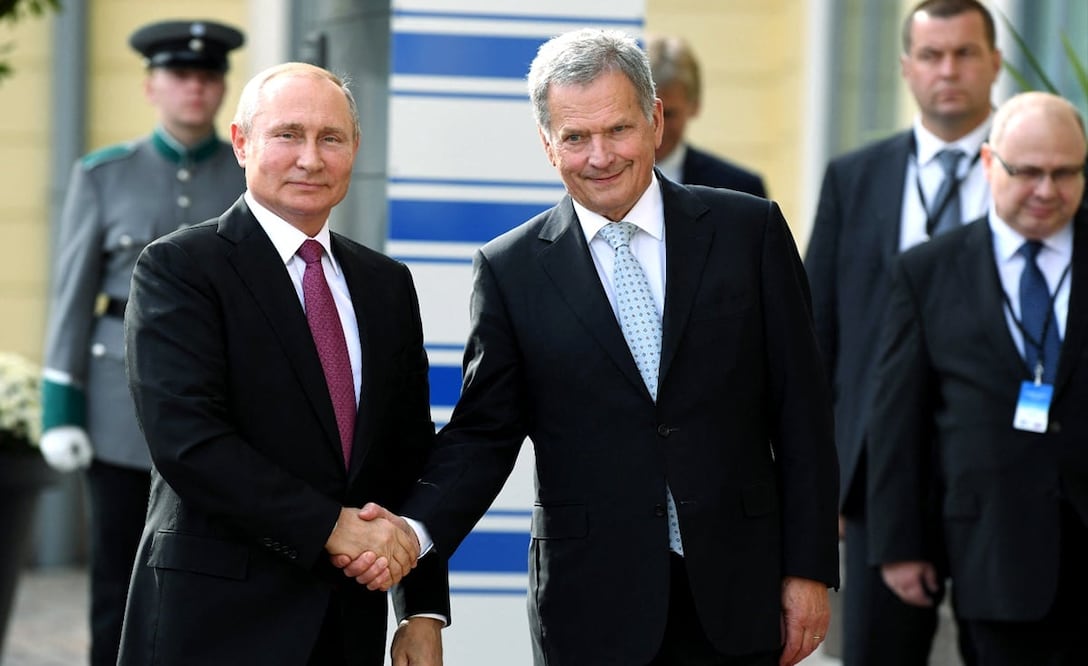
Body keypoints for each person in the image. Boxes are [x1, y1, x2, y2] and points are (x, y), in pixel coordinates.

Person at [345, 28, 838, 666]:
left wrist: (808, 569)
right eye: (575, 137)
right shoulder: (511, 270)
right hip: (591, 606)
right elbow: (483, 435)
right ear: (547, 143)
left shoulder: (749, 231)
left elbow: (803, 413)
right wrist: (411, 534)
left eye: (618, 129)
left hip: (740, 590)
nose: (600, 156)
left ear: (655, 120)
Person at [118, 62, 448, 665]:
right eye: (288, 134)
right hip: (213, 624)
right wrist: (330, 526)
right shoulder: (181, 268)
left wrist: (420, 609)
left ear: (355, 149)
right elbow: (187, 440)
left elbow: (407, 455)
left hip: (345, 626)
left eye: (331, 138)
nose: (310, 159)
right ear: (242, 143)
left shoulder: (385, 284)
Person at [38, 19, 246, 666]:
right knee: (117, 573)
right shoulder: (104, 174)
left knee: (212, 573)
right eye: (180, 76)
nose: (195, 88)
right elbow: (72, 293)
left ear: (222, 89)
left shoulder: (248, 175)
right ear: (151, 86)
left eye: (207, 77)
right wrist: (60, 406)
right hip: (117, 407)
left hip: (223, 404)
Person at [803, 1, 1001, 662]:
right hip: (875, 471)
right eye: (932, 55)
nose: (948, 70)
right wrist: (822, 479)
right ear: (905, 68)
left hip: (1000, 468)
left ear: (995, 62)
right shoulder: (854, 178)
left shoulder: (1035, 176)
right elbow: (816, 338)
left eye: (965, 53)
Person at [867, 91, 1088, 665]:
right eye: (1028, 172)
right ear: (990, 163)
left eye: (1065, 173)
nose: (1047, 190)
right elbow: (898, 419)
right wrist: (899, 545)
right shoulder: (928, 272)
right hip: (993, 552)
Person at [646, 34, 767, 196]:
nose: (657, 126)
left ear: (694, 105)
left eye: (668, 114)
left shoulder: (740, 190)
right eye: (648, 113)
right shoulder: (610, 181)